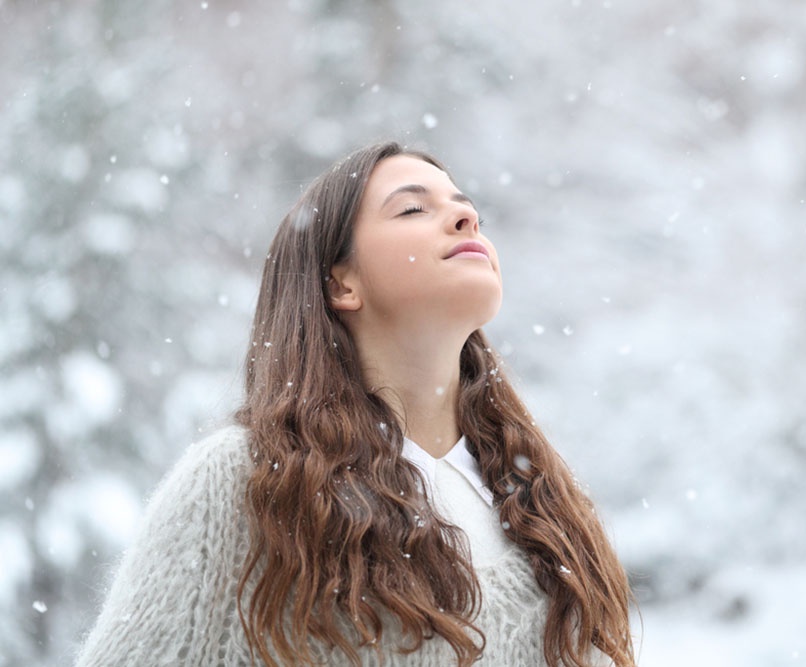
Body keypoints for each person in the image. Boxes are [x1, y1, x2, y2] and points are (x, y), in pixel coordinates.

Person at [75, 141, 636, 666]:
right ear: (341, 284)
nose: (468, 220)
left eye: (470, 212)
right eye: (413, 210)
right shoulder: (245, 482)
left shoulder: (539, 499)